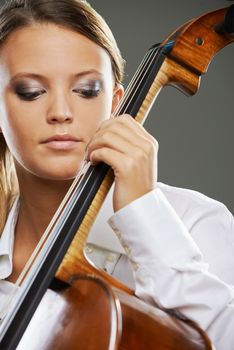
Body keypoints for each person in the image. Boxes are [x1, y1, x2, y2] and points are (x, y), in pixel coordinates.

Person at [0, 0, 233, 349]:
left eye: (87, 90)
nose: (61, 112)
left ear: (115, 104)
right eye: (31, 92)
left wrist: (145, 214)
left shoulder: (198, 224)